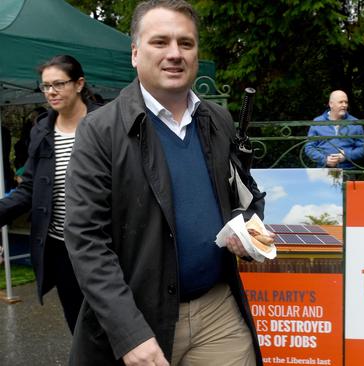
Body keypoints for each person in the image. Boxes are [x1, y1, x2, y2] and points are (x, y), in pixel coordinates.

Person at [64, 1, 266, 365]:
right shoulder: (99, 131)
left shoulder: (217, 119)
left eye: (185, 43)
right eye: (160, 42)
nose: (175, 53)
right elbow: (86, 242)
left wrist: (245, 225)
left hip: (217, 311)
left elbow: (243, 191)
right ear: (135, 53)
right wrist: (129, 334)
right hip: (141, 319)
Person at [0, 54, 97, 333]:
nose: (51, 92)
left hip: (104, 247)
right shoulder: (43, 130)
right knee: (79, 330)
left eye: (58, 84)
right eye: (45, 86)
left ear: (79, 84)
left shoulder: (106, 122)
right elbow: (29, 189)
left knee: (116, 328)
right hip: (60, 248)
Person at [304, 90, 364, 169]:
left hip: (347, 171)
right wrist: (325, 159)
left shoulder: (355, 123)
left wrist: (346, 155)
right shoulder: (318, 122)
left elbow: (362, 149)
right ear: (331, 104)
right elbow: (309, 147)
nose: (344, 105)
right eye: (340, 102)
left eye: (346, 102)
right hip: (323, 170)